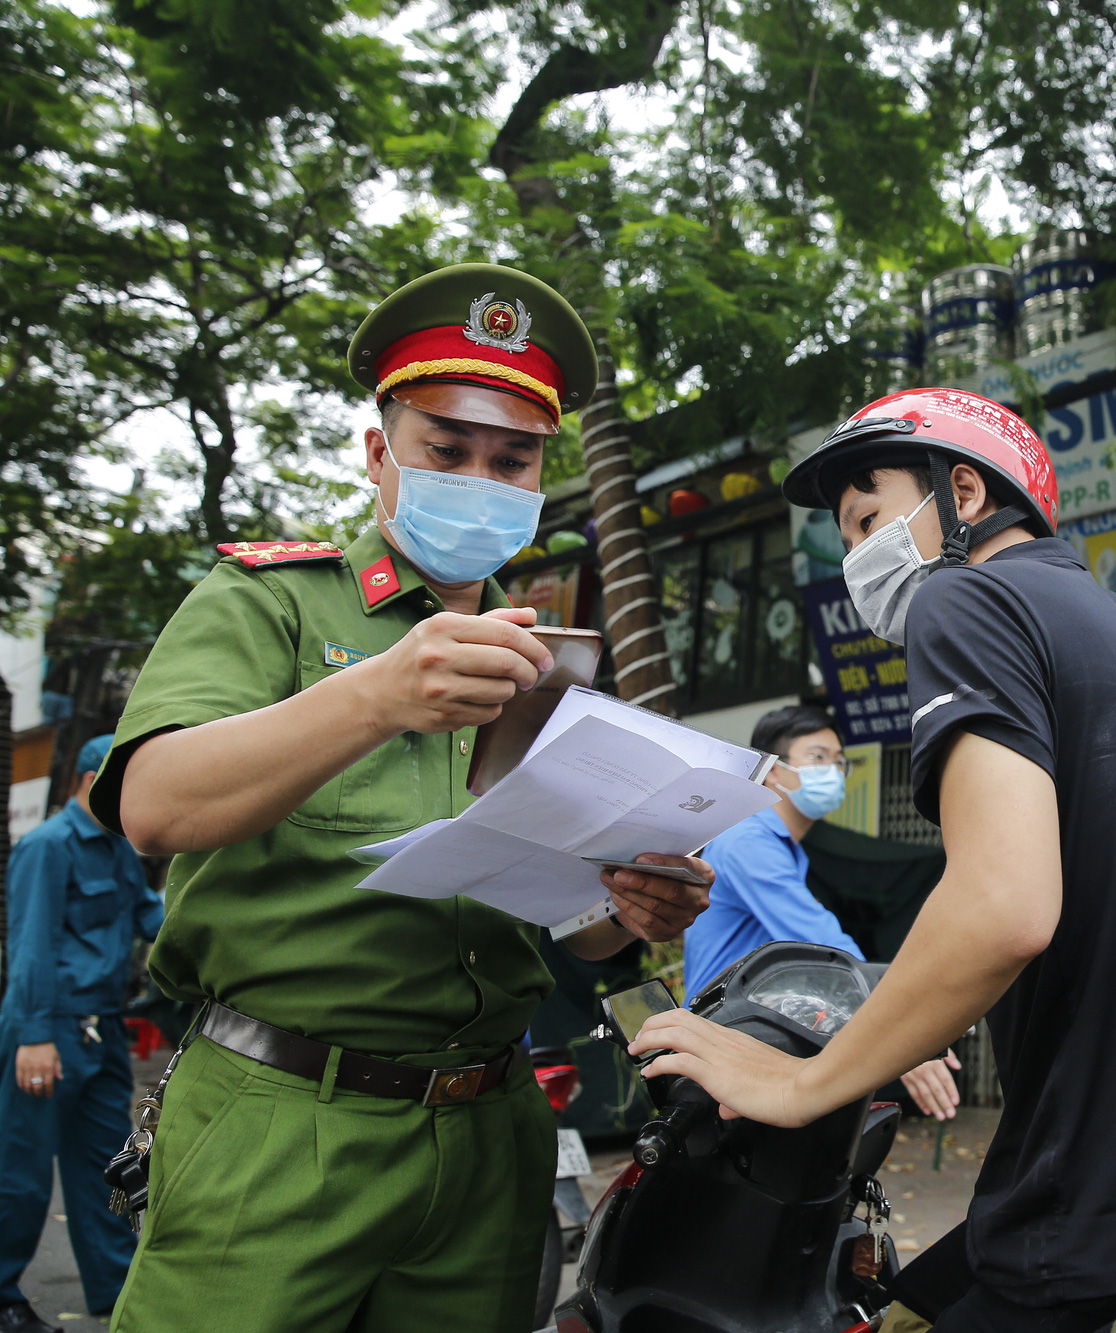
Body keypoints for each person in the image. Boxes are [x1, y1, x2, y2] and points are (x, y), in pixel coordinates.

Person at [625, 387, 1116, 1332]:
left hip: (1085, 1218)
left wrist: (799, 1083)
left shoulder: (970, 597)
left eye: (869, 517)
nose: (857, 553)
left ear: (964, 493)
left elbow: (1004, 903)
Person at [84, 264, 713, 1333]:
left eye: (511, 459)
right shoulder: (272, 598)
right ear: (379, 451)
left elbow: (558, 914)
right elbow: (152, 804)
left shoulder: (544, 655)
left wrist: (630, 906)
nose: (482, 476)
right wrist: (372, 695)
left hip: (489, 1130)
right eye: (446, 449)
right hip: (281, 1120)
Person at [682, 704, 962, 1118]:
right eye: (817, 758)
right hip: (723, 1040)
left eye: (838, 761)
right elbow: (822, 940)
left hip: (752, 1034)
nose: (831, 770)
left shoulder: (782, 846)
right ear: (774, 771)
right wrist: (899, 1029)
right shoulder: (748, 841)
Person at [0, 736, 162, 1333]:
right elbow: (31, 946)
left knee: (107, 1170)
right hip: (51, 1027)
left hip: (104, 1029)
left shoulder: (118, 849)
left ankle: (115, 1294)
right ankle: (2, 1295)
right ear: (90, 779)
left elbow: (152, 918)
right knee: (19, 1170)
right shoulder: (48, 847)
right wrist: (34, 1035)